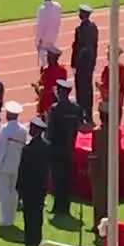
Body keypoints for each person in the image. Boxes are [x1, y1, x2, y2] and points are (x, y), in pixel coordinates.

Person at [46, 79, 82, 216]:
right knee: (67, 177)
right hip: (70, 147)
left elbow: (50, 130)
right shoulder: (76, 108)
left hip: (56, 148)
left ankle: (58, 206)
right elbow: (78, 126)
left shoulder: (54, 109)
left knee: (56, 178)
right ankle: (65, 206)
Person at [16, 117, 51, 246]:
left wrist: (19, 186)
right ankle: (37, 237)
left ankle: (30, 238)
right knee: (38, 212)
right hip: (40, 185)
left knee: (29, 214)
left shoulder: (28, 149)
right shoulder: (47, 147)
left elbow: (22, 169)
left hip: (29, 186)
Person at [0, 101, 27, 228]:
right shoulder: (23, 130)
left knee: (3, 193)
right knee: (13, 192)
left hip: (4, 166)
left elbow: (1, 149)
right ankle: (10, 219)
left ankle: (4, 220)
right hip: (17, 165)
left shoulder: (5, 129)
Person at [70, 3, 98, 125]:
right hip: (89, 63)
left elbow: (77, 47)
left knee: (81, 90)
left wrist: (74, 63)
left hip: (82, 64)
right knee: (88, 89)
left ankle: (81, 115)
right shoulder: (93, 27)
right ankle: (89, 115)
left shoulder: (80, 29)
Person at [89, 102, 110, 243]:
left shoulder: (97, 132)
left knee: (98, 199)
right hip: (111, 168)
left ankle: (98, 224)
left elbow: (94, 152)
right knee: (109, 199)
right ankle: (108, 224)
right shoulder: (116, 130)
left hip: (99, 168)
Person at [34, 0, 62, 68]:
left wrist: (37, 40)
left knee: (44, 61)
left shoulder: (42, 9)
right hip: (54, 35)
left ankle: (46, 76)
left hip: (44, 38)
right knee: (52, 55)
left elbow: (40, 26)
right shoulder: (57, 6)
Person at [36, 48, 68, 116]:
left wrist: (39, 89)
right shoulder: (62, 70)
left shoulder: (48, 71)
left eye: (49, 56)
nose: (47, 58)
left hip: (49, 102)